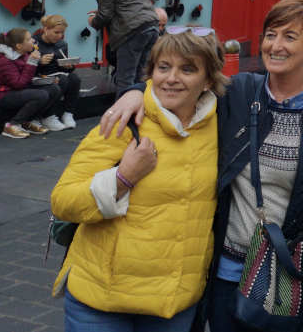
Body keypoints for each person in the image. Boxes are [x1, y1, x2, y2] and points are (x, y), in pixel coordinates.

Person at [102, 0, 303, 332]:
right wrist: (134, 91)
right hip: (227, 270)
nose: (275, 46)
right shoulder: (239, 92)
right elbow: (178, 84)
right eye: (270, 35)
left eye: (290, 37)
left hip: (285, 273)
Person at [51, 29, 226, 332]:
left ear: (208, 79)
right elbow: (63, 201)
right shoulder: (124, 120)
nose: (171, 78)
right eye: (163, 67)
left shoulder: (222, 126)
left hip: (172, 304)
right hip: (102, 300)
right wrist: (123, 178)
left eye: (188, 69)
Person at [85, 0, 159, 92]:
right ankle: (141, 111)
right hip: (152, 26)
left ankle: (121, 113)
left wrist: (93, 21)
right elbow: (129, 4)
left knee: (124, 79)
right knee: (140, 76)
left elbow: (104, 16)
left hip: (132, 32)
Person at [0, 28, 61, 138]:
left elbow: (26, 77)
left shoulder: (23, 55)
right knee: (40, 95)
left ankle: (28, 121)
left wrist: (45, 79)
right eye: (29, 39)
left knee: (54, 89)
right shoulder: (4, 60)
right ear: (19, 46)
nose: (33, 41)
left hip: (15, 91)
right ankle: (11, 125)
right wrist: (32, 62)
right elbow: (19, 84)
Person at [34, 14, 80, 129]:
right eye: (56, 32)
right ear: (45, 29)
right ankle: (48, 116)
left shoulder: (62, 44)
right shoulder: (34, 43)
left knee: (75, 78)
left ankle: (68, 114)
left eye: (62, 33)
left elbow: (62, 67)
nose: (59, 36)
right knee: (61, 79)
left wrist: (69, 66)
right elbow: (25, 67)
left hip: (56, 74)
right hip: (38, 76)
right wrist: (40, 62)